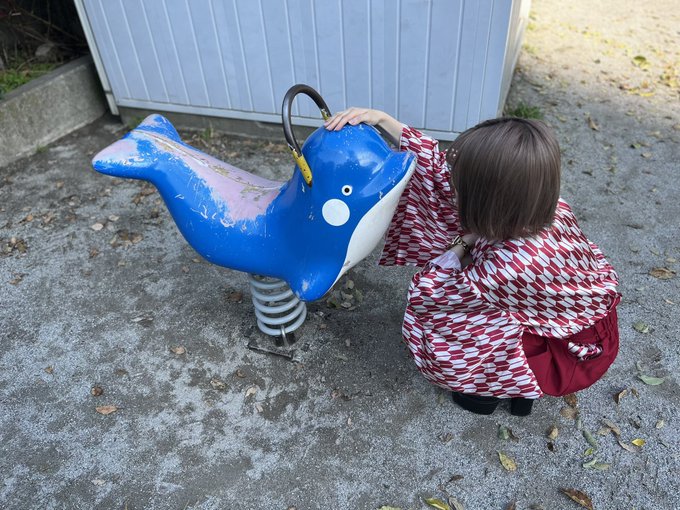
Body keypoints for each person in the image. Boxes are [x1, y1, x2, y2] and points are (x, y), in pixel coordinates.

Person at [324, 108, 620, 416]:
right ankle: (517, 388)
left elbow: (431, 295)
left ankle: (485, 390)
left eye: (460, 189)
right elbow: (441, 173)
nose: (452, 192)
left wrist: (462, 244)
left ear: (490, 200)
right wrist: (383, 121)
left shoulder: (508, 268)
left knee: (462, 328)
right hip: (573, 321)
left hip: (569, 353)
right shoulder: (548, 209)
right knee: (481, 301)